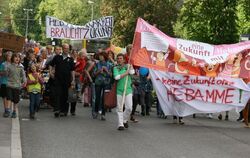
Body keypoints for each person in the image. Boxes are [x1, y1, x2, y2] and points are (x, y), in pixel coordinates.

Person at [49, 43, 75, 117]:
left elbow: (72, 70)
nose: (66, 50)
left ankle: (64, 111)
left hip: (67, 80)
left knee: (65, 95)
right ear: (62, 49)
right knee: (57, 94)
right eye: (65, 48)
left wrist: (73, 80)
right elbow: (51, 65)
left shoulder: (70, 59)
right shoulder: (57, 57)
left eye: (67, 48)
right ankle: (57, 109)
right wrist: (51, 72)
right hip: (57, 79)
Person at [113, 53, 135, 130]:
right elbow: (116, 77)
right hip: (119, 90)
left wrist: (131, 66)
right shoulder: (116, 68)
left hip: (128, 89)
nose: (119, 60)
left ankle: (124, 120)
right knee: (120, 107)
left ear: (124, 59)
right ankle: (120, 124)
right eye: (118, 58)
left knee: (129, 107)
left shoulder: (128, 66)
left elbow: (132, 72)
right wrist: (126, 73)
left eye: (120, 58)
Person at [6, 53, 27, 118]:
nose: (17, 58)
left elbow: (23, 75)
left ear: (20, 59)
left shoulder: (21, 67)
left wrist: (24, 81)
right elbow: (6, 74)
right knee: (9, 98)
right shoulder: (9, 66)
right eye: (15, 57)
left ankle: (14, 111)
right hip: (9, 85)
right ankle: (8, 110)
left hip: (17, 86)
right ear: (12, 58)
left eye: (18, 57)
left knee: (15, 100)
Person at [93, 51, 112, 120]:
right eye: (99, 56)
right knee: (97, 97)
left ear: (105, 57)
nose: (100, 57)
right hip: (98, 82)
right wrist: (99, 71)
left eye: (102, 56)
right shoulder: (96, 64)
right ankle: (95, 111)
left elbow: (111, 75)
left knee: (104, 98)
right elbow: (94, 74)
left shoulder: (109, 65)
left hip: (106, 83)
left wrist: (106, 70)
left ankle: (103, 114)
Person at [0, 51, 12, 117]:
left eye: (10, 56)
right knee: (4, 97)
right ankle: (6, 109)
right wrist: (4, 72)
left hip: (11, 82)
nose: (9, 57)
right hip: (4, 82)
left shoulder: (13, 64)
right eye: (8, 56)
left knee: (9, 97)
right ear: (6, 57)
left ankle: (8, 109)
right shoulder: (3, 64)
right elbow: (0, 73)